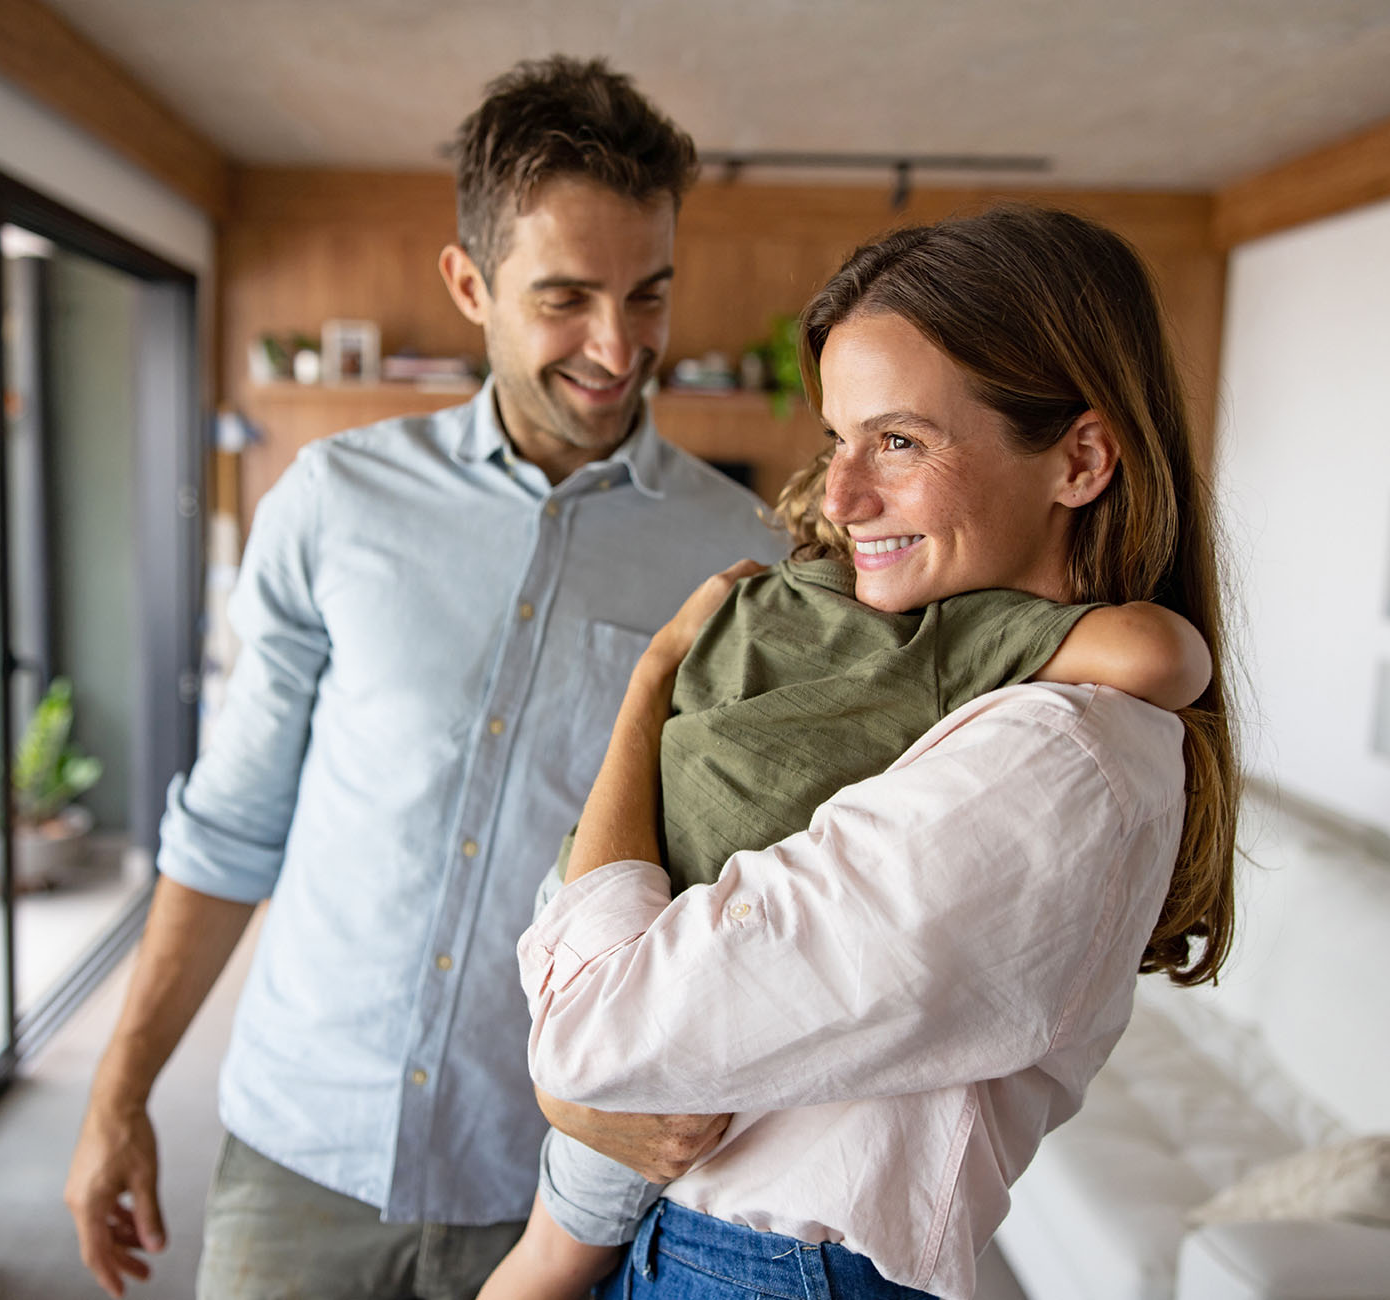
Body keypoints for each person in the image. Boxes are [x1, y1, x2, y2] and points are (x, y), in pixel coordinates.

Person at [62, 55, 783, 1300]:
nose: (619, 348)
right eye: (566, 297)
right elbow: (232, 825)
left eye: (648, 294)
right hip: (300, 1156)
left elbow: (747, 893)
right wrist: (117, 1090)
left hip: (558, 1187)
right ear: (470, 283)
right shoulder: (333, 504)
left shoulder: (745, 563)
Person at [513, 205, 1240, 1299]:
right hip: (706, 1241)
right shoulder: (934, 658)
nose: (844, 498)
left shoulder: (1057, 755)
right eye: (839, 440)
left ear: (1081, 458)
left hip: (756, 1271)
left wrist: (652, 679)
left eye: (899, 439)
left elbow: (599, 1037)